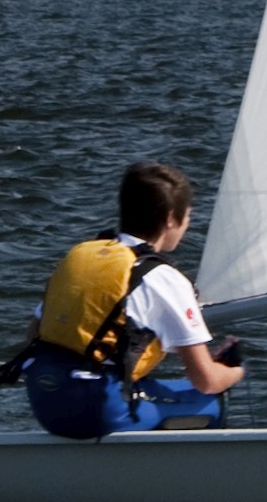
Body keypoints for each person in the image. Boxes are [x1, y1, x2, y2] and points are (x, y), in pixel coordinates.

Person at [21, 162, 247, 439]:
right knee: (211, 402)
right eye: (188, 216)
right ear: (170, 219)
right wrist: (235, 372)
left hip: (45, 401)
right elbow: (206, 380)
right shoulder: (165, 278)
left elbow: (34, 336)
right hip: (96, 410)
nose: (187, 224)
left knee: (144, 385)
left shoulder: (80, 257)